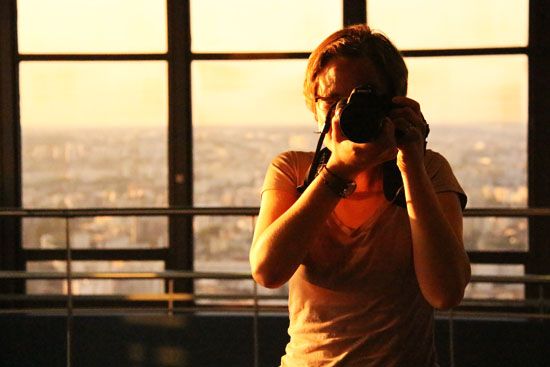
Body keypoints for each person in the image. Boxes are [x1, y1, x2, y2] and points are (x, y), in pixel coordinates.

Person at [249, 24, 470, 367]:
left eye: (360, 97)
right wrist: (337, 172)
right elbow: (267, 271)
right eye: (332, 100)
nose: (344, 111)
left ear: (394, 101)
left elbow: (445, 292)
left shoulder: (428, 170)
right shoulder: (294, 171)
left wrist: (411, 162)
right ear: (315, 105)